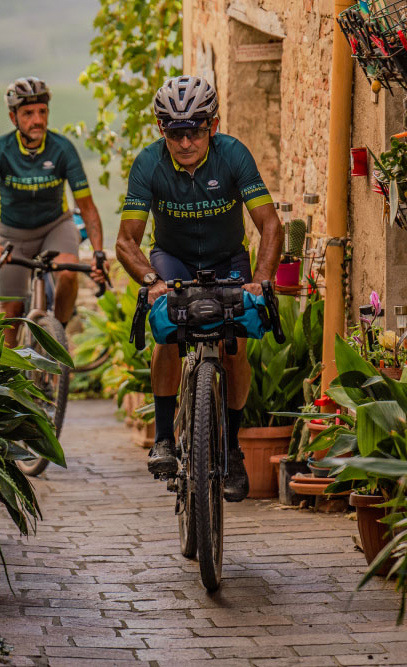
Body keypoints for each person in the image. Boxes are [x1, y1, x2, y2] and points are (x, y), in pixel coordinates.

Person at [114, 75, 281, 502]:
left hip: (229, 260)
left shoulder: (234, 156)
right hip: (173, 260)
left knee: (236, 345)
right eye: (175, 133)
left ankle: (231, 448)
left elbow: (269, 224)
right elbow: (126, 241)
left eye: (196, 131)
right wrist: (152, 283)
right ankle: (165, 438)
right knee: (169, 329)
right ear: (160, 129)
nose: (186, 142)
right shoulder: (148, 164)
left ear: (214, 124)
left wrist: (260, 280)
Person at [0, 77, 106, 346]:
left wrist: (98, 252)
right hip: (13, 234)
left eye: (42, 112)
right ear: (13, 118)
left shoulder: (62, 148)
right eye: (28, 113)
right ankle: (11, 382)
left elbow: (88, 208)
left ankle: (55, 336)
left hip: (55, 227)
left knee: (68, 275)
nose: (37, 119)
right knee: (10, 315)